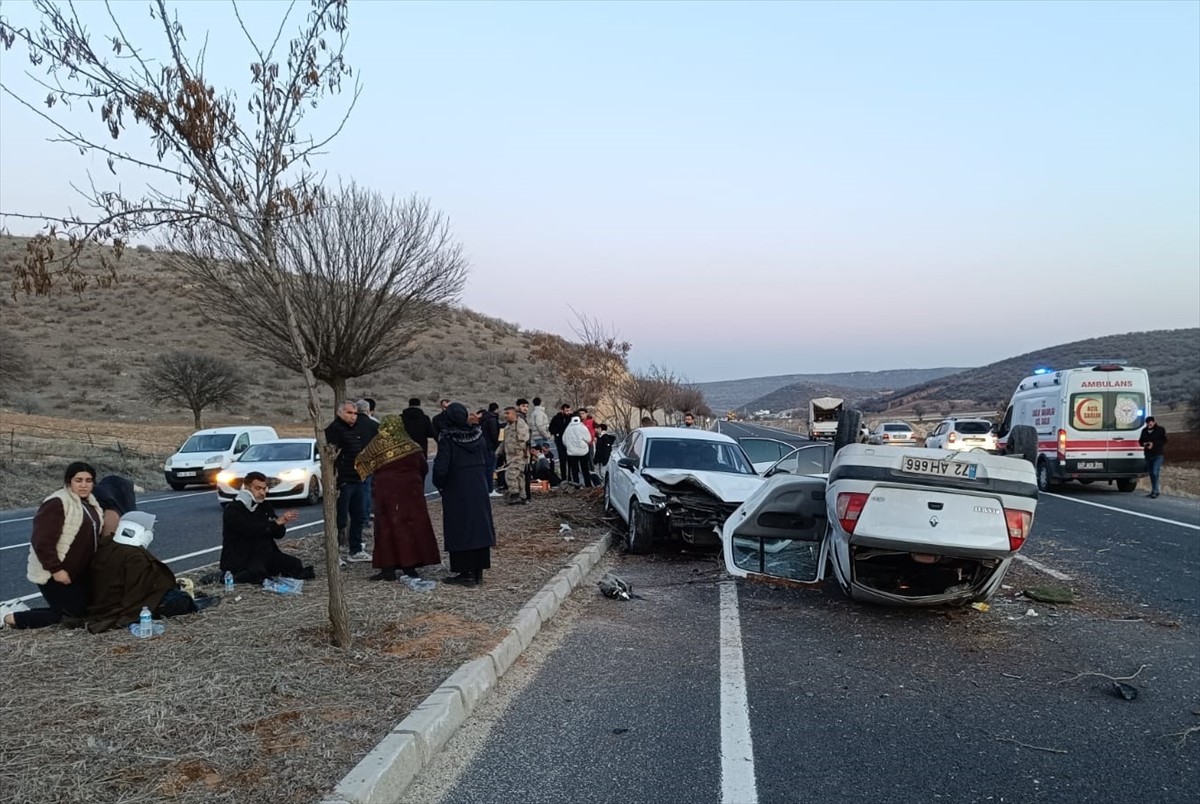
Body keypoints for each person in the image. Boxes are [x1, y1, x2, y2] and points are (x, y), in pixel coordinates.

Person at [2, 462, 103, 630]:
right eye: (78, 480)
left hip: (78, 574)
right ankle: (8, 618)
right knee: (69, 617)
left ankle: (17, 609)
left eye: (88, 480)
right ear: (69, 481)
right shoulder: (57, 502)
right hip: (54, 572)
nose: (84, 485)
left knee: (84, 611)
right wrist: (56, 569)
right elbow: (41, 541)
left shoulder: (90, 505)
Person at [86, 510, 216, 633]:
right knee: (181, 599)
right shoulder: (135, 557)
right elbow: (140, 592)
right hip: (120, 607)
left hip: (102, 605)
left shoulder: (107, 546)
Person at [354, 416, 441, 581]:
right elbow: (423, 468)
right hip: (412, 494)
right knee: (410, 527)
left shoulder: (376, 445)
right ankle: (410, 567)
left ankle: (388, 568)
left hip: (385, 493)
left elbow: (361, 462)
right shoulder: (413, 446)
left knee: (386, 529)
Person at [432, 403, 497, 586]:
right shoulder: (478, 436)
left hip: (456, 487)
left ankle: (465, 572)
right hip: (478, 485)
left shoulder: (448, 438)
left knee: (460, 527)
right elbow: (486, 459)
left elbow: (441, 468)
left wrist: (441, 485)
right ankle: (478, 571)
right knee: (479, 525)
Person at [220, 471, 313, 583]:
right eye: (258, 488)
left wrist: (281, 523)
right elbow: (249, 530)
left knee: (295, 564)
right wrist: (274, 523)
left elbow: (279, 534)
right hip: (242, 557)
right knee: (257, 573)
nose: (262, 493)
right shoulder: (233, 510)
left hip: (265, 554)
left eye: (264, 489)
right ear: (246, 488)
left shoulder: (264, 506)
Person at [325, 399, 377, 562]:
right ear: (340, 413)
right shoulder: (334, 430)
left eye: (355, 413)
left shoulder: (355, 428)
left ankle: (355, 549)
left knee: (359, 515)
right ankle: (335, 553)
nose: (353, 416)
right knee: (339, 519)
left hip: (358, 478)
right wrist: (336, 480)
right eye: (349, 413)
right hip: (343, 480)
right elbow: (331, 458)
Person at [499, 406, 531, 504]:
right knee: (519, 477)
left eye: (508, 413)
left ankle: (514, 494)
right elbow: (504, 441)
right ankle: (522, 496)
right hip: (510, 456)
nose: (506, 416)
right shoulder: (507, 426)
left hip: (519, 455)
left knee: (510, 475)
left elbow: (524, 440)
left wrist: (523, 454)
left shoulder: (520, 425)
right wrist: (498, 452)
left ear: (514, 414)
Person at [1138, 415, 1168, 498]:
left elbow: (1164, 441)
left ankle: (1156, 490)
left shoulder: (1160, 430)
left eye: (1150, 424)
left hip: (1158, 454)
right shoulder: (1144, 431)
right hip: (1148, 455)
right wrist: (1144, 444)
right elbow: (1140, 441)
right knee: (1151, 473)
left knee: (1155, 471)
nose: (1149, 425)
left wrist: (1153, 444)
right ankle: (1154, 491)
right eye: (1147, 424)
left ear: (1154, 422)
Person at [563, 415, 595, 487]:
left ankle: (576, 485)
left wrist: (570, 446)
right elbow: (588, 439)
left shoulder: (568, 428)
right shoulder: (582, 427)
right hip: (583, 451)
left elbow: (564, 440)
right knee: (585, 469)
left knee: (574, 470)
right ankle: (588, 485)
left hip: (571, 453)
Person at [480, 402, 502, 497]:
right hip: (490, 447)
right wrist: (497, 445)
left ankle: (485, 488)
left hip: (483, 446)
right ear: (496, 409)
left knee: (485, 468)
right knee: (490, 468)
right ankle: (490, 489)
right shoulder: (492, 419)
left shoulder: (483, 418)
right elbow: (494, 434)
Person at [549, 403, 573, 470]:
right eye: (566, 411)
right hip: (560, 441)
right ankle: (563, 477)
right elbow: (551, 428)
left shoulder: (571, 418)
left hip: (570, 441)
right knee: (562, 459)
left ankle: (570, 477)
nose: (568, 412)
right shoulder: (556, 418)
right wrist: (556, 433)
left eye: (569, 410)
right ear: (562, 410)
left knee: (570, 460)